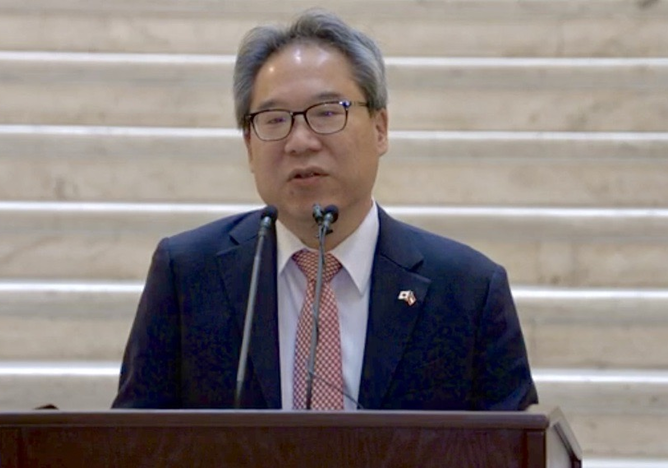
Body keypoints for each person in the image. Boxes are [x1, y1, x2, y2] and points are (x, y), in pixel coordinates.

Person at [112, 9, 538, 411]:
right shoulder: (186, 275)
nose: (300, 141)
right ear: (248, 145)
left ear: (380, 129)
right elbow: (133, 442)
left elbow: (516, 447)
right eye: (275, 119)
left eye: (327, 113)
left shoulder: (468, 291)